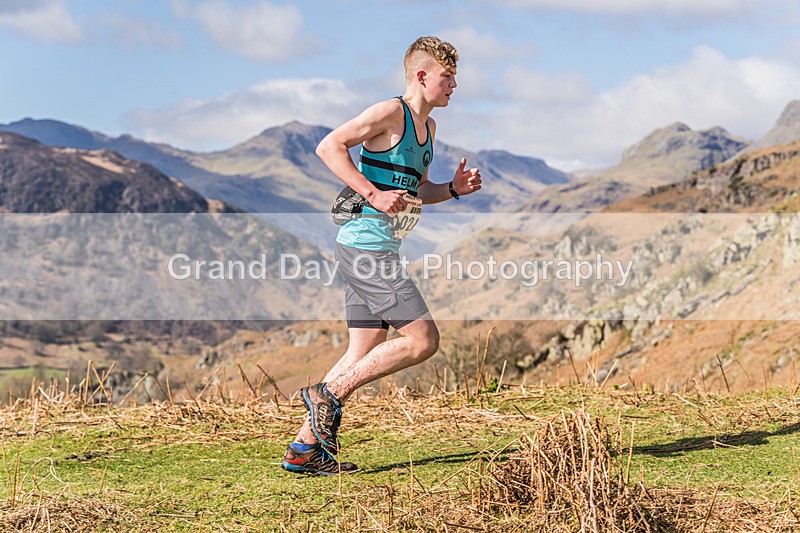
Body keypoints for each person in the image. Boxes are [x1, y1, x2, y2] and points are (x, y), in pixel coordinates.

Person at [281, 36, 482, 475]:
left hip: (378, 246)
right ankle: (327, 396)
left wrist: (452, 189)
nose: (454, 85)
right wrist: (371, 193)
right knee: (423, 341)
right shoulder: (391, 112)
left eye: (455, 78)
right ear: (422, 76)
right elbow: (329, 146)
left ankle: (304, 450)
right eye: (448, 77)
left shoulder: (429, 129)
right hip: (365, 248)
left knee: (364, 347)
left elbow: (415, 191)